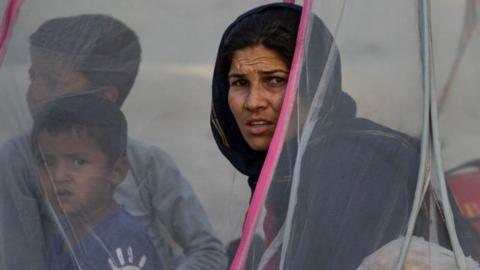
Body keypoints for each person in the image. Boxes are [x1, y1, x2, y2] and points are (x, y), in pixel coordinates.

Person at [210, 3, 478, 269]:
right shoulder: (285, 172)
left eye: (275, 80)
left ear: (313, 84)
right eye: (239, 83)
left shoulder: (354, 164)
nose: (253, 102)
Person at [0, 14, 227, 270]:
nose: (34, 92)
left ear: (104, 98)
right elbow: (18, 260)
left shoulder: (146, 161)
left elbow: (208, 250)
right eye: (33, 76)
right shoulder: (15, 160)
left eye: (52, 82)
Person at [32, 95, 163, 270]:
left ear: (117, 171)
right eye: (47, 163)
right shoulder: (63, 232)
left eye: (78, 162)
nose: (58, 176)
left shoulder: (122, 241)